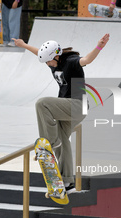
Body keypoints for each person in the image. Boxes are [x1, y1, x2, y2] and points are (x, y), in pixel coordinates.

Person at [13, 34, 110, 193]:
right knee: (63, 140)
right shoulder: (52, 60)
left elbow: (86, 60)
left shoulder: (71, 62)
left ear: (56, 56)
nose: (49, 65)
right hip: (68, 108)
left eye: (49, 61)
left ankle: (49, 143)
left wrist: (99, 46)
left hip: (77, 105)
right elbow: (39, 52)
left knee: (42, 104)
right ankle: (67, 182)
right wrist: (23, 45)